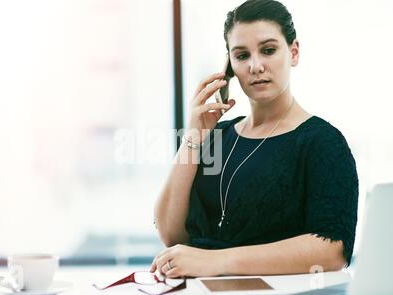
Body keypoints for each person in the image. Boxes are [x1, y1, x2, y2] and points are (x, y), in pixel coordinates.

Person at [151, 0, 358, 278]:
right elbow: (171, 234)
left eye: (268, 50)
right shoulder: (215, 138)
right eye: (242, 55)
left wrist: (216, 261)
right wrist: (193, 137)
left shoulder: (323, 142)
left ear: (293, 52)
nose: (256, 66)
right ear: (229, 66)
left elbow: (333, 250)